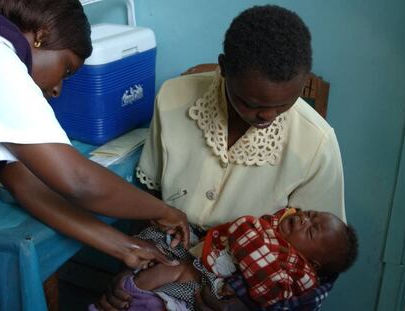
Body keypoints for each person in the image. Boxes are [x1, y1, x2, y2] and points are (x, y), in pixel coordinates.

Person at [97, 4, 346, 310]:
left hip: (239, 283)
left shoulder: (317, 142)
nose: (267, 115)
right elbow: (151, 200)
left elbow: (317, 268)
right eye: (251, 102)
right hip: (166, 250)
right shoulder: (173, 97)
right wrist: (130, 269)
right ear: (224, 67)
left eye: (284, 105)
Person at [0, 0, 189, 269]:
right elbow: (80, 182)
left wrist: (125, 247)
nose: (56, 90)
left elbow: (24, 183)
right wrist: (164, 211)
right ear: (42, 35)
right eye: (66, 70)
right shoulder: (1, 59)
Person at [89, 208, 358, 311]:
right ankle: (130, 290)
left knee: (177, 279)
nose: (302, 219)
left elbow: (279, 296)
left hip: (213, 291)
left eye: (310, 229)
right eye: (309, 214)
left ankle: (138, 296)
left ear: (314, 263)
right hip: (197, 252)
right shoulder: (278, 222)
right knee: (166, 255)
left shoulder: (299, 271)